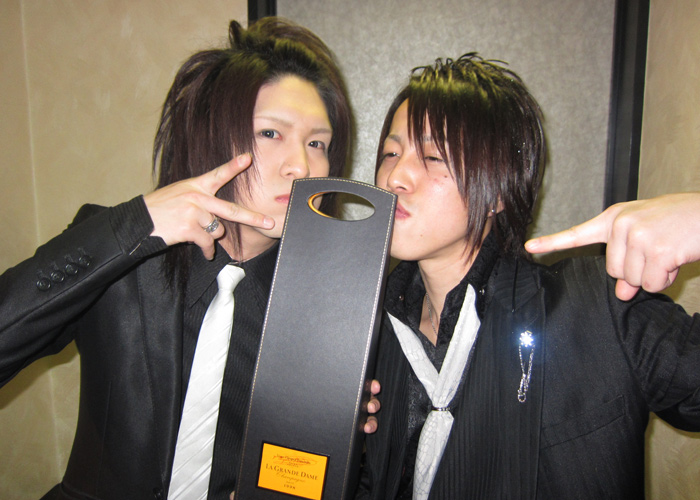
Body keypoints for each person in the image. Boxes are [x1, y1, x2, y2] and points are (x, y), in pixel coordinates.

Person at [0, 17, 377, 500]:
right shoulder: (127, 258)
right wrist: (136, 224)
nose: (301, 166)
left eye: (317, 143)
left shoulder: (327, 312)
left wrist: (339, 450)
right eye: (270, 133)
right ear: (212, 136)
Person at [357, 54, 700, 499]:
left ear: (498, 191)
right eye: (391, 152)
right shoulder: (369, 329)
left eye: (434, 156)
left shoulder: (599, 308)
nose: (395, 176)